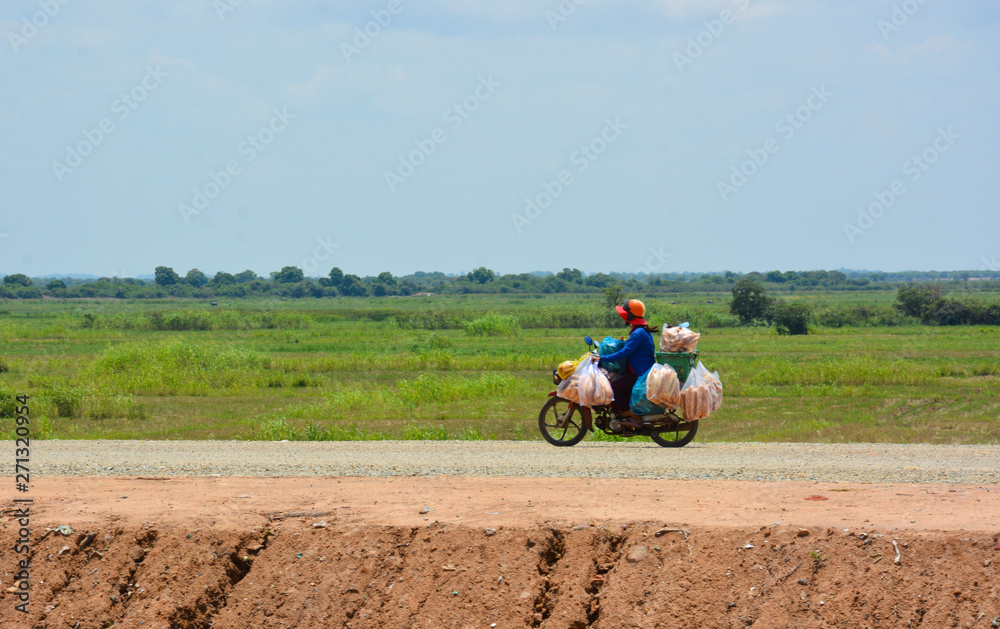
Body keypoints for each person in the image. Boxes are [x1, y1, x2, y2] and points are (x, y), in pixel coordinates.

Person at [597, 299, 656, 415]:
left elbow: (623, 353)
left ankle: (630, 415)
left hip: (638, 372)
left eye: (625, 316)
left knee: (613, 390)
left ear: (630, 316)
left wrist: (601, 358)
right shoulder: (643, 330)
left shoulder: (638, 333)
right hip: (644, 370)